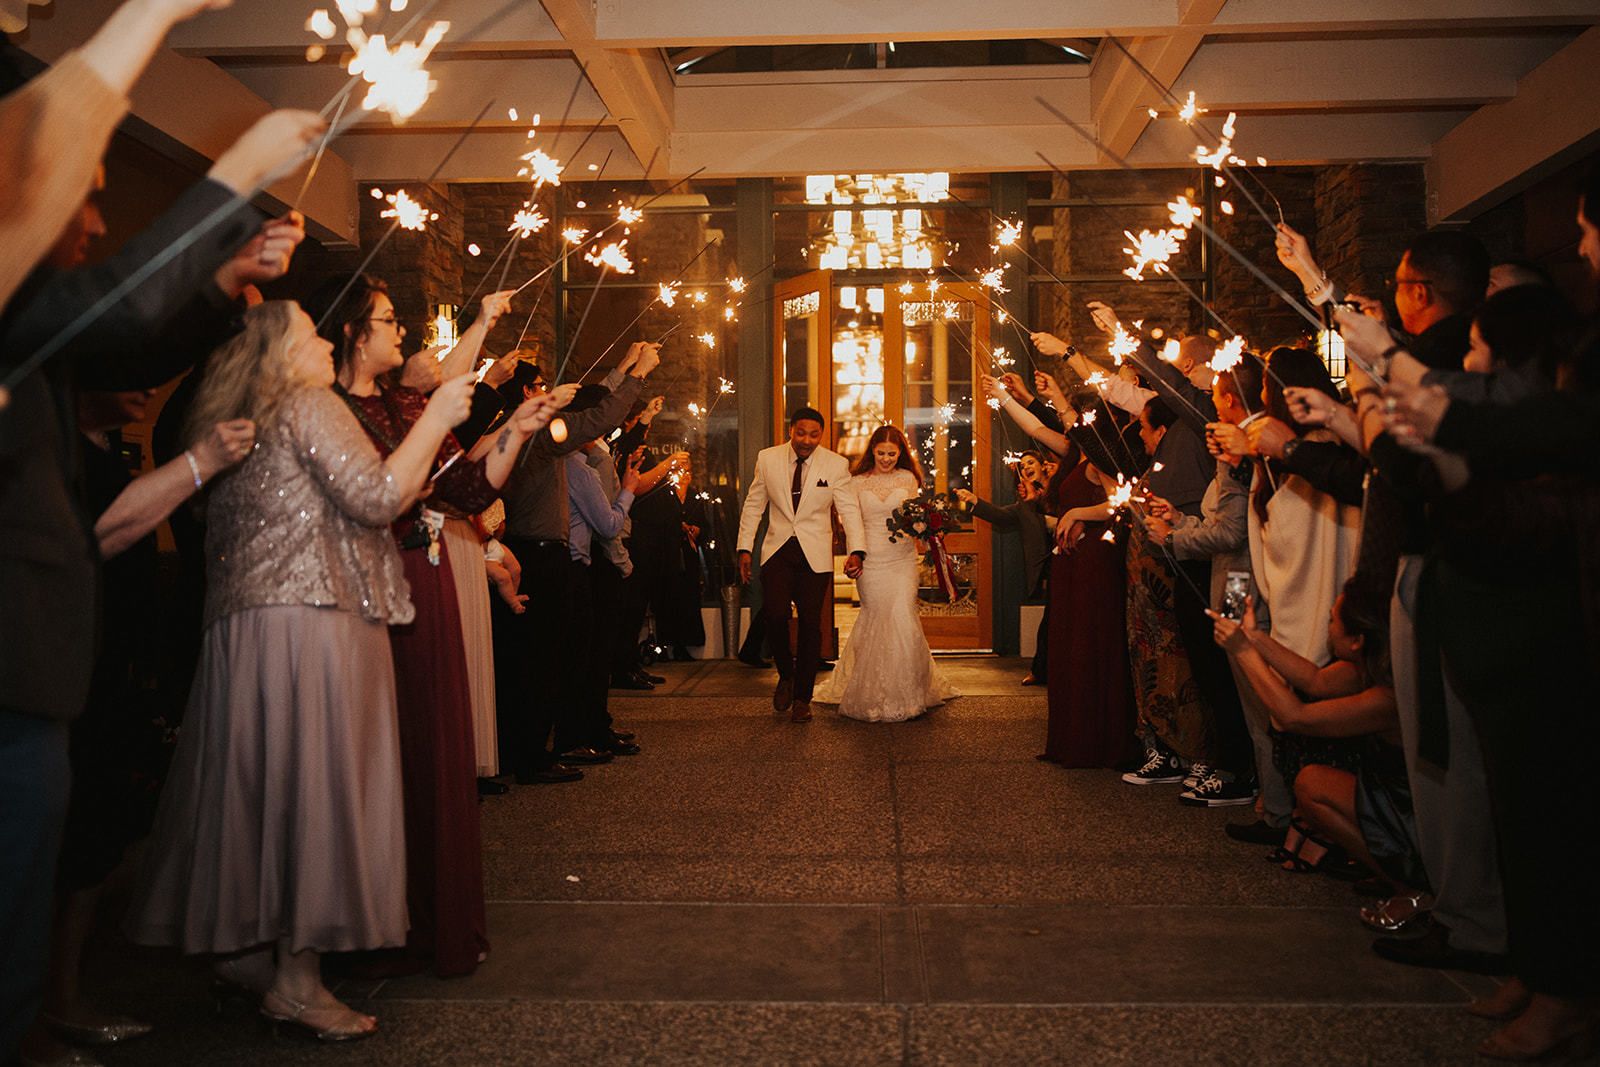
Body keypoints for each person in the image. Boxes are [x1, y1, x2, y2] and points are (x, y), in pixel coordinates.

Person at [0, 108, 316, 1062]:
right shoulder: (23, 318)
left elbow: (129, 348)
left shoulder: (40, 339)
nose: (97, 222)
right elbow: (118, 315)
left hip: (41, 684)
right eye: (87, 195)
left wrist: (228, 278)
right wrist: (243, 168)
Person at [125, 301, 481, 1040]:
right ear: (280, 353)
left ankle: (251, 954)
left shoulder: (244, 415)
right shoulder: (309, 403)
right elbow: (378, 496)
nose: (325, 339)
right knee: (316, 791)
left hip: (250, 628)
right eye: (311, 332)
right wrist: (439, 410)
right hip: (313, 622)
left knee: (261, 791)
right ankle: (298, 980)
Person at [309, 276, 547, 978]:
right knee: (375, 755)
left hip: (424, 579)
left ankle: (424, 915)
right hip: (365, 589)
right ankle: (359, 922)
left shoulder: (403, 404)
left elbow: (466, 489)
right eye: (388, 319)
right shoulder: (327, 412)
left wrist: (515, 431)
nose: (402, 331)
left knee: (430, 749)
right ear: (353, 332)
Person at [988, 376, 1135, 767]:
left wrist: (1076, 513)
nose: (1071, 420)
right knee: (1068, 646)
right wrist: (1003, 397)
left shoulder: (1103, 456)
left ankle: (1098, 741)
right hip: (1071, 562)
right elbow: (1036, 428)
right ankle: (1073, 738)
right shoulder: (1075, 451)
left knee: (1091, 644)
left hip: (1095, 562)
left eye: (1079, 413)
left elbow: (1120, 504)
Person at [813, 425, 956, 722]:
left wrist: (925, 525)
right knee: (876, 617)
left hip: (902, 559)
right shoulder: (856, 482)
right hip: (872, 560)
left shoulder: (908, 479)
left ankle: (908, 693)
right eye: (882, 453)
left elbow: (914, 516)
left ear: (901, 453)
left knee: (903, 614)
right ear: (872, 451)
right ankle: (874, 691)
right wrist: (855, 554)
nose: (887, 459)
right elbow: (850, 522)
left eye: (893, 453)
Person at [736, 407, 866, 723]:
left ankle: (802, 698)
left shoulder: (835, 465)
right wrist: (744, 548)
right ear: (791, 430)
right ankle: (786, 673)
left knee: (810, 624)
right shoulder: (767, 459)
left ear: (821, 435)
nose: (806, 440)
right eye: (801, 433)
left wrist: (857, 550)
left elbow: (848, 510)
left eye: (814, 434)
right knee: (776, 615)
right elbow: (754, 506)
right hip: (778, 549)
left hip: (814, 554)